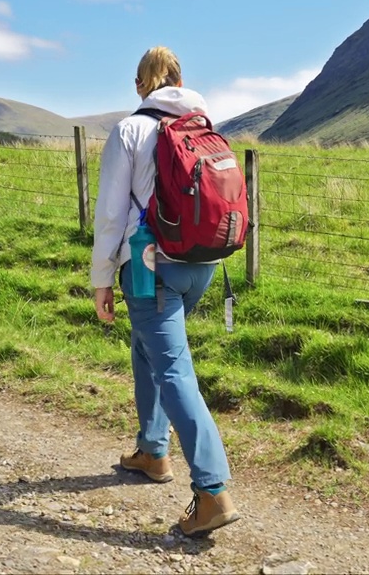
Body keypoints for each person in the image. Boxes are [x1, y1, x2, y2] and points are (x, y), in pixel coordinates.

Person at [91, 46, 241, 537]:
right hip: (205, 262)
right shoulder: (204, 124)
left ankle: (212, 491)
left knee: (172, 366)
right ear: (179, 79)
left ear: (140, 86)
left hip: (150, 261)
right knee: (148, 347)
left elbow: (113, 214)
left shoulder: (131, 129)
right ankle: (153, 451)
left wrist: (102, 278)